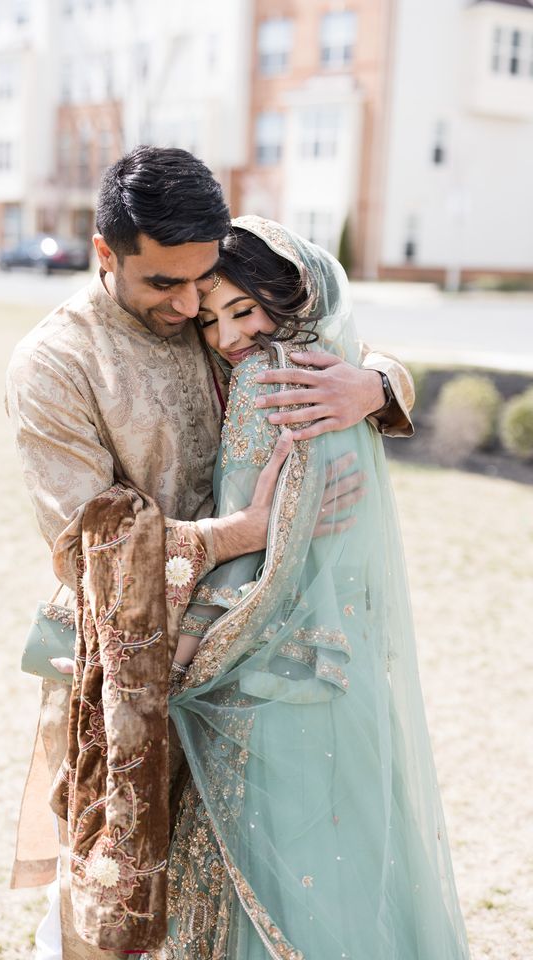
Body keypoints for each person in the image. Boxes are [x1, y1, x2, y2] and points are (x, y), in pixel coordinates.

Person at [5, 147, 415, 959]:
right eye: (165, 284)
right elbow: (90, 551)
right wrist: (243, 535)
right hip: (141, 671)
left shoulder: (212, 304)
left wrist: (376, 385)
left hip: (264, 671)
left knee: (245, 901)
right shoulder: (56, 364)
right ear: (103, 255)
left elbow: (315, 316)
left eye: (203, 280)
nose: (194, 305)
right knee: (116, 902)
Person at [139, 217, 469, 959]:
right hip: (338, 663)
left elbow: (255, 554)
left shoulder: (269, 380)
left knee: (272, 871)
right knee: (341, 859)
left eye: (241, 310)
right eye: (211, 318)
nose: (225, 337)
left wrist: (183, 654)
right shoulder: (327, 359)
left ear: (289, 297)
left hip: (268, 667)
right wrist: (376, 380)